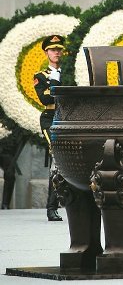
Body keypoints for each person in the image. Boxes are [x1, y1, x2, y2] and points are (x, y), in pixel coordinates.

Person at [33, 34, 65, 222]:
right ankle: (51, 207)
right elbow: (46, 99)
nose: (56, 53)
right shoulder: (40, 76)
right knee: (57, 160)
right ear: (46, 52)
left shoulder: (67, 73)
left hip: (67, 118)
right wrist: (54, 78)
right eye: (53, 50)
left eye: (59, 49)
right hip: (50, 119)